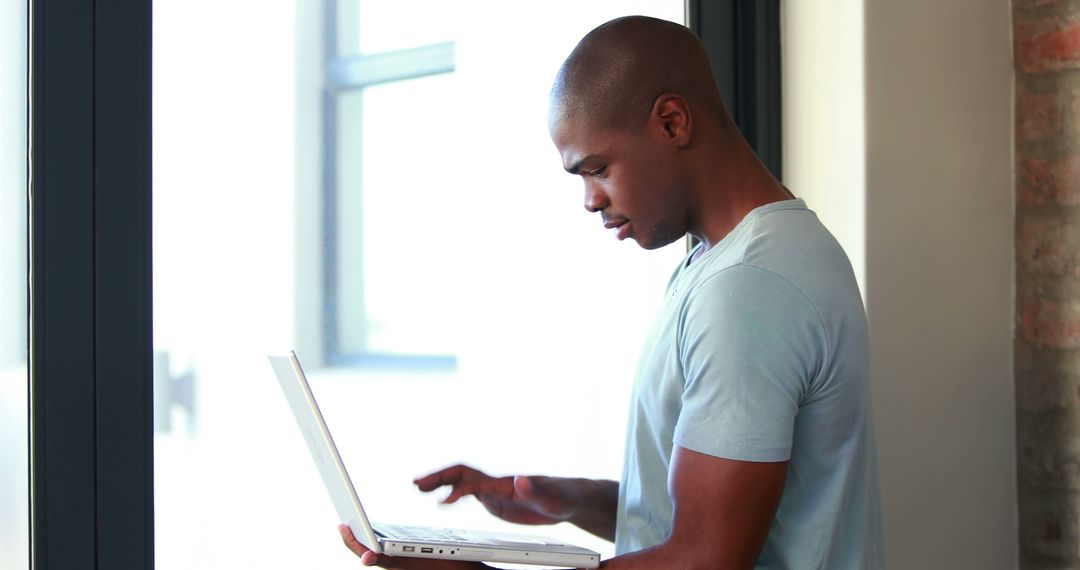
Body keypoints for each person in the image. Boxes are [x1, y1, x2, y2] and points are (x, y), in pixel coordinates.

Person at [340, 15, 883, 569]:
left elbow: (706, 560)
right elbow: (722, 516)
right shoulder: (754, 257)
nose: (590, 200)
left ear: (672, 122)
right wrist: (575, 501)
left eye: (597, 168)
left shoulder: (748, 289)